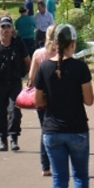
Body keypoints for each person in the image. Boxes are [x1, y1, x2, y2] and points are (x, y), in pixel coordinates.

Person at [34, 24, 94, 188]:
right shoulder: (80, 68)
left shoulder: (43, 68)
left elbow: (38, 101)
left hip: (52, 130)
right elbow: (89, 100)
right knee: (80, 177)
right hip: (77, 128)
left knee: (59, 180)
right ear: (72, 44)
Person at [0, 16, 31, 152]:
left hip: (15, 83)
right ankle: (2, 140)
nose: (6, 29)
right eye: (3, 27)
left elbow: (28, 61)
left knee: (14, 111)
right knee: (0, 112)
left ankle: (14, 138)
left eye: (8, 26)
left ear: (12, 29)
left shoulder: (18, 43)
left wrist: (31, 78)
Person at [28, 24, 58, 177]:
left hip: (41, 96)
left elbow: (31, 78)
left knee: (45, 130)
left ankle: (45, 166)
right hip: (58, 97)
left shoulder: (38, 54)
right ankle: (58, 163)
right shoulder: (61, 53)